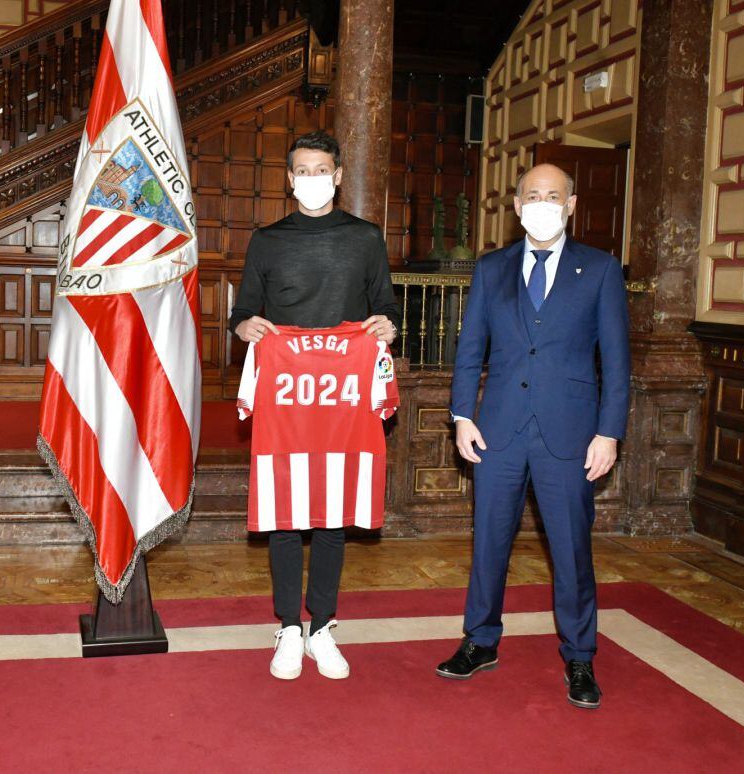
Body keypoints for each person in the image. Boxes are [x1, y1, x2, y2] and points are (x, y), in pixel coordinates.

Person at [437, 163, 630, 709]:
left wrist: (609, 432)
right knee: (488, 544)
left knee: (571, 550)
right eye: (531, 195)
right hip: (496, 429)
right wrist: (461, 415)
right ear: (516, 206)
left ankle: (579, 657)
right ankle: (480, 641)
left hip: (570, 432)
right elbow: (470, 348)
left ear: (570, 206)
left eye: (553, 195)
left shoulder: (598, 270)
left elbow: (616, 363)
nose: (542, 203)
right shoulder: (492, 267)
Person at [230, 130, 399, 680]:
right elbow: (244, 311)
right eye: (301, 170)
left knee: (331, 513)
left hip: (342, 398)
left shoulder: (366, 237)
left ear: (339, 173)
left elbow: (385, 310)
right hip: (287, 395)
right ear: (289, 177)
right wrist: (245, 326)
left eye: (320, 168)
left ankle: (322, 624)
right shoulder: (267, 240)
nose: (311, 178)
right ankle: (286, 627)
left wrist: (384, 326)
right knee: (285, 510)